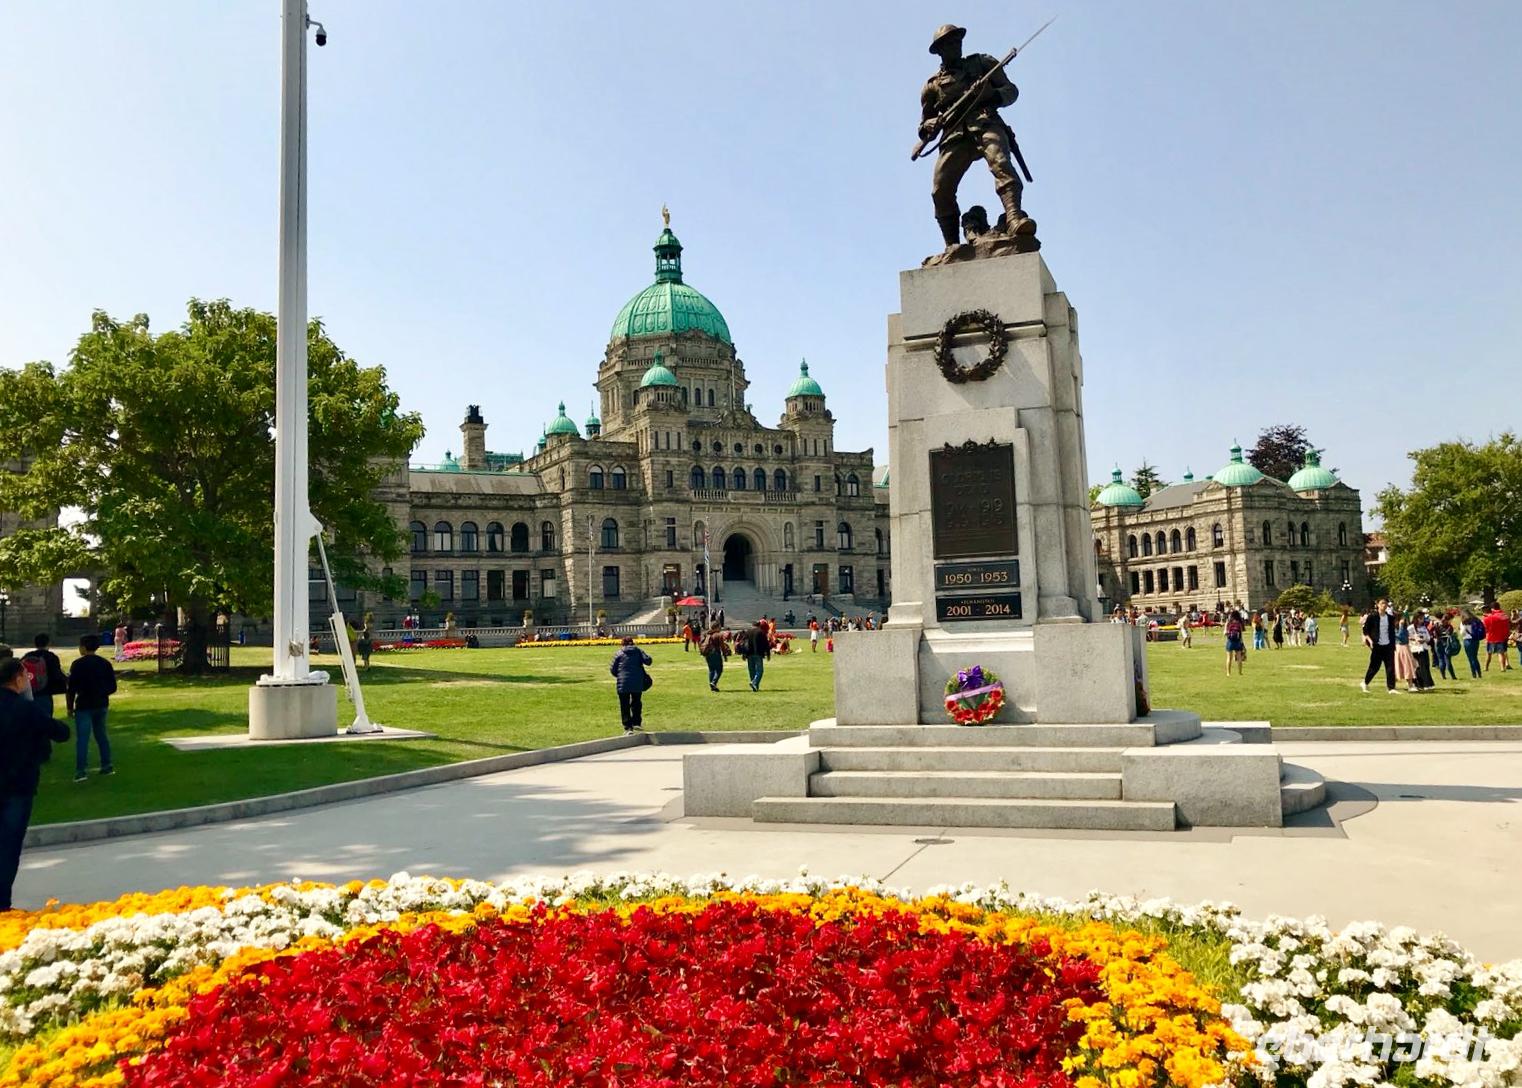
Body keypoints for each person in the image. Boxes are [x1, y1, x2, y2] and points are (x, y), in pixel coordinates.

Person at [0, 658, 70, 910]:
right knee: (8, 846)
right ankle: (2, 904)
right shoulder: (25, 709)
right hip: (18, 785)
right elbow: (60, 732)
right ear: (18, 679)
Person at [66, 634, 117, 782]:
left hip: (84, 704)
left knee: (83, 739)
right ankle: (106, 765)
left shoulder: (77, 664)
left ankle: (81, 771)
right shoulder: (104, 663)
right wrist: (102, 692)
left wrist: (69, 707)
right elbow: (112, 686)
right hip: (101, 703)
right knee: (101, 735)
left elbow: (71, 688)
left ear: (83, 647)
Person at [608, 637, 652, 734]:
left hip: (623, 683)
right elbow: (648, 661)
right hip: (637, 682)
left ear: (622, 644)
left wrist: (620, 676)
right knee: (636, 702)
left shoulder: (619, 653)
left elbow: (613, 669)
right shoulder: (638, 651)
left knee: (624, 705)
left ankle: (628, 727)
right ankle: (636, 722)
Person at [21, 635, 67, 720]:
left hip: (29, 692)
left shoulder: (27, 656)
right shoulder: (51, 656)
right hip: (45, 692)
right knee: (45, 720)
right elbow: (56, 675)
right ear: (49, 643)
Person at [1360, 599, 1401, 694]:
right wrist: (1370, 641)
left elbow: (1392, 632)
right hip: (1377, 645)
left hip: (1388, 645)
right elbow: (1365, 630)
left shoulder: (1390, 618)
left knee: (1390, 667)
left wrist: (1393, 644)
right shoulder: (1372, 617)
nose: (1384, 605)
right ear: (1377, 605)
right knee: (1375, 667)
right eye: (1382, 603)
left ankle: (1391, 688)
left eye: (1386, 603)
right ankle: (1365, 682)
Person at [739, 620, 771, 692]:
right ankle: (754, 682)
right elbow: (766, 643)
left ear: (752, 625)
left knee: (751, 670)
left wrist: (744, 653)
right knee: (760, 670)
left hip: (749, 654)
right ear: (759, 625)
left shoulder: (748, 632)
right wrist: (768, 654)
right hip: (758, 653)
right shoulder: (761, 632)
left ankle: (755, 686)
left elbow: (743, 643)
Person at [1482, 603, 1512, 672]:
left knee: (1489, 653)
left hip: (1491, 637)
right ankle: (1502, 668)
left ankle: (1486, 667)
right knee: (1501, 653)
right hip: (1501, 637)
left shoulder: (1487, 618)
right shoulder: (1504, 615)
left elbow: (1485, 629)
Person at [700, 624, 729, 693]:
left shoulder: (707, 634)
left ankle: (712, 687)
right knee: (719, 669)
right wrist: (725, 655)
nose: (720, 628)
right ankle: (713, 682)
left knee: (711, 670)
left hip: (707, 654)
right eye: (719, 627)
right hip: (715, 653)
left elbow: (701, 643)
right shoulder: (718, 635)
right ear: (716, 627)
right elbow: (722, 646)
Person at [1409, 616, 1435, 691]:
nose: (1422, 620)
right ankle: (1422, 684)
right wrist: (1415, 639)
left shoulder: (1423, 628)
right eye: (1420, 618)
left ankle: (1428, 683)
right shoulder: (1410, 628)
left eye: (1423, 619)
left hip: (1424, 648)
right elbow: (1407, 637)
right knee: (1420, 667)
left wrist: (1424, 639)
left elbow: (1428, 637)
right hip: (1415, 649)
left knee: (1426, 666)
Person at [1393, 615, 1418, 692]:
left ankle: (1410, 684)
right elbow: (1400, 636)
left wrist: (1413, 638)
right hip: (1400, 647)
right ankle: (1408, 685)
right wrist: (1400, 626)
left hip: (1406, 647)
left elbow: (1405, 636)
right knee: (1404, 666)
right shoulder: (1396, 628)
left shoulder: (1404, 628)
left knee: (1408, 666)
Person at [1460, 609, 1485, 679]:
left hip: (1467, 640)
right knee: (1475, 657)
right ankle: (1479, 673)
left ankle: (1474, 674)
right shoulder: (1476, 620)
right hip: (1476, 640)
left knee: (1470, 658)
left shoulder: (1464, 622)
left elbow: (1462, 633)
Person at [1223, 609, 1245, 675]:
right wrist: (1242, 642)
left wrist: (1228, 632)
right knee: (1239, 658)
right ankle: (1240, 672)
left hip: (1230, 641)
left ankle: (1228, 673)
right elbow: (1241, 634)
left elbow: (1224, 633)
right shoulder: (1239, 623)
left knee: (1229, 658)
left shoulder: (1229, 622)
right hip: (1237, 641)